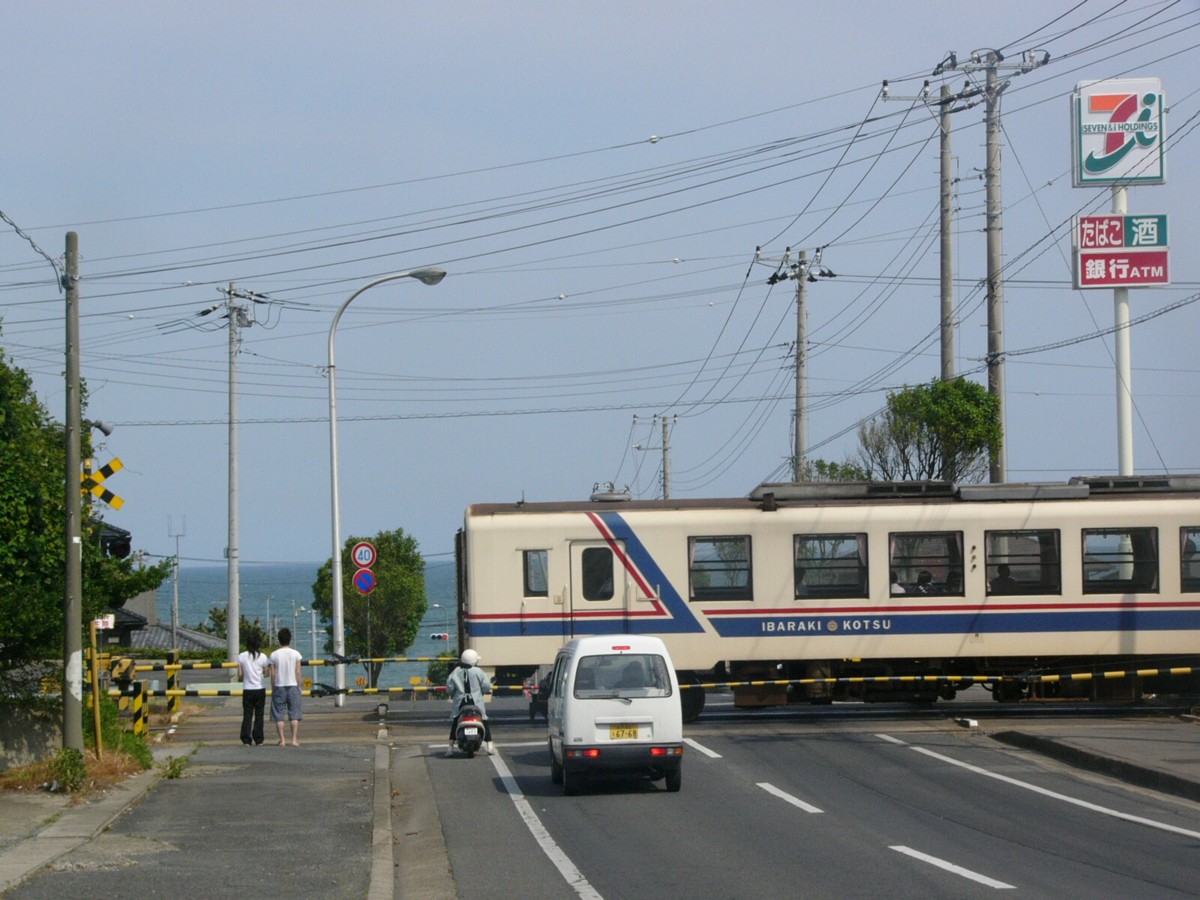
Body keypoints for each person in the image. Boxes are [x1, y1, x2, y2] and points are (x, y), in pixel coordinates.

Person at [446, 648, 493, 757]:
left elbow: (449, 688)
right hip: (476, 702)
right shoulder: (478, 671)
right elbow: (486, 686)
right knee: (483, 719)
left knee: (456, 721)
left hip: (460, 703)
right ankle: (489, 745)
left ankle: (450, 748)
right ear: (474, 661)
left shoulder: (456, 671)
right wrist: (483, 691)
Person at [270, 627, 304, 747]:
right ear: (290, 639)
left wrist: (273, 686)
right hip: (293, 685)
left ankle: (282, 740)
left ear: (279, 640)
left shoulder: (274, 655)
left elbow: (273, 673)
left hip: (279, 686)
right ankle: (294, 740)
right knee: (294, 714)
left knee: (279, 714)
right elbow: (298, 672)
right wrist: (299, 686)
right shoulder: (296, 654)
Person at [237, 632, 271, 746]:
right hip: (260, 688)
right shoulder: (263, 657)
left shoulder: (241, 656)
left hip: (247, 689)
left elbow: (240, 675)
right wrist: (262, 673)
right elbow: (267, 673)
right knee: (259, 714)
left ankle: (246, 739)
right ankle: (259, 738)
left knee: (247, 715)